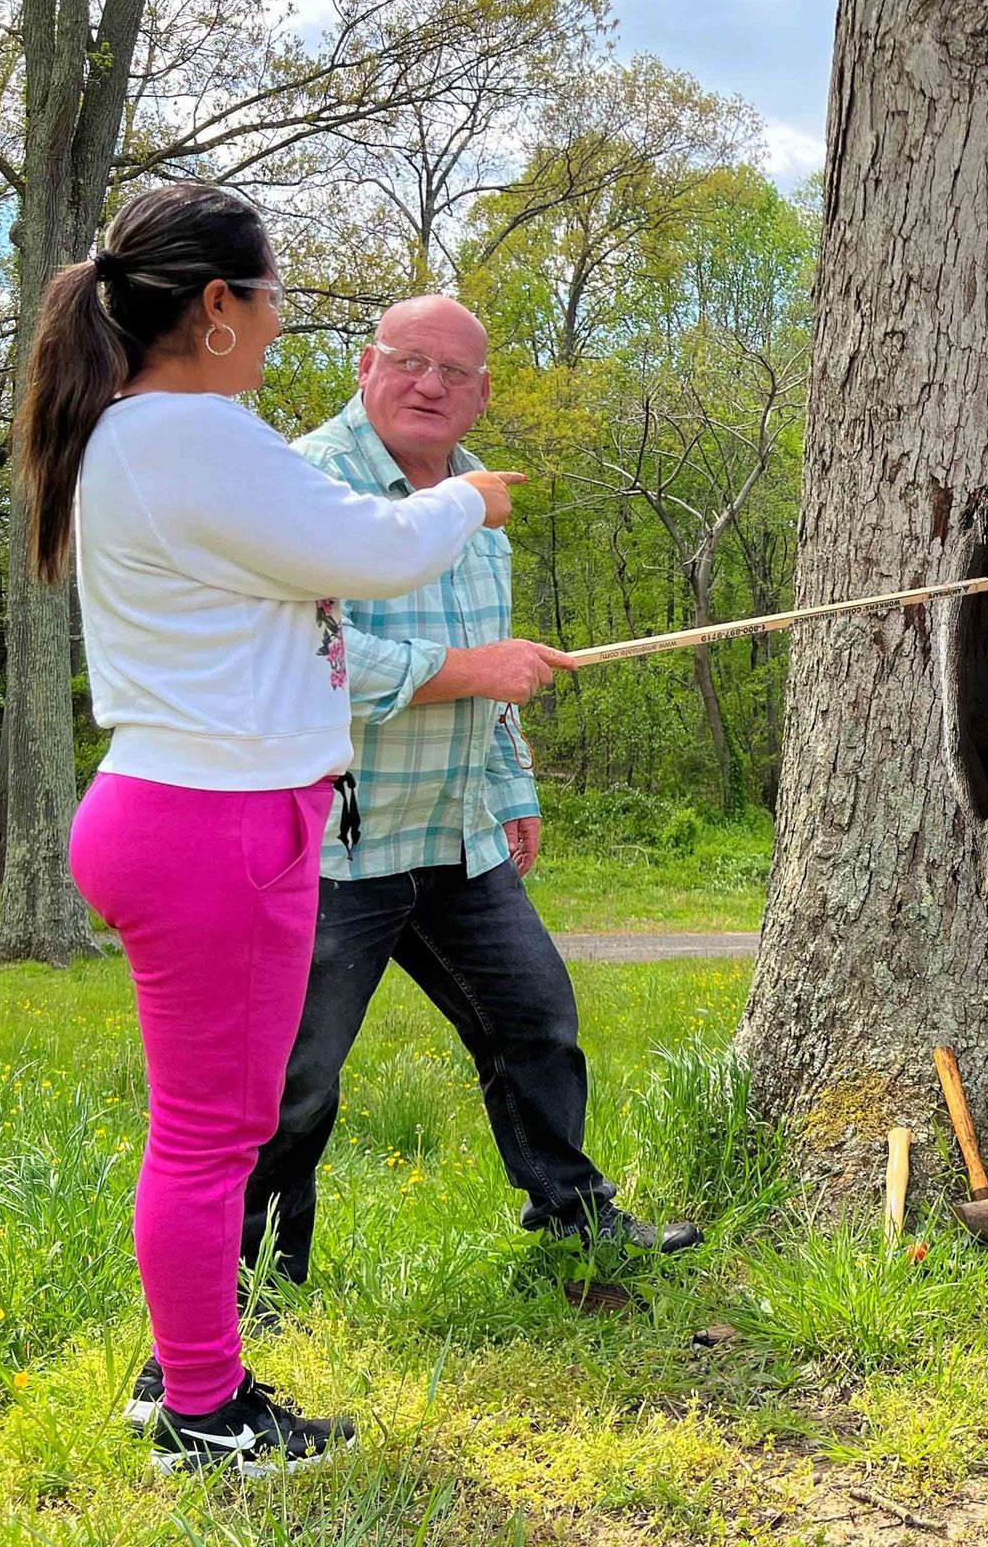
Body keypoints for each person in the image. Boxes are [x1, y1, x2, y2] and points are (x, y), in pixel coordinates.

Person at [116, 298, 700, 1440]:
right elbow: (311, 649)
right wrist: (469, 671)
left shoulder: (478, 502)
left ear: (481, 392)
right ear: (368, 367)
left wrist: (515, 780)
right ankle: (246, 1295)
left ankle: (573, 1218)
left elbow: (500, 663)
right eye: (408, 362)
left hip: (457, 832)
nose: (429, 385)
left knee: (536, 1022)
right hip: (336, 838)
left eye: (455, 371)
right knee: (294, 1080)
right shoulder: (301, 485)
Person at [22, 182, 520, 1475]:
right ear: (219, 306)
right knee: (213, 1135)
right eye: (277, 296)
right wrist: (473, 501)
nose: (283, 322)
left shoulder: (147, 435)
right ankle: (203, 1414)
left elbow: (301, 573)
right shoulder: (194, 433)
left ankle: (184, 1380)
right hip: (213, 825)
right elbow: (373, 547)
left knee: (205, 1127)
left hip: (182, 808)